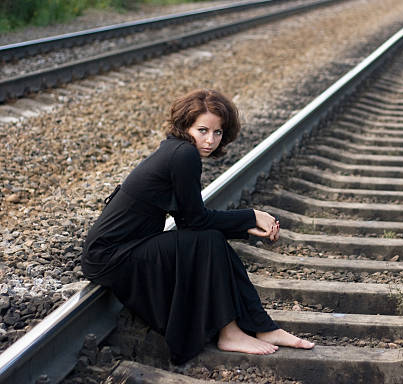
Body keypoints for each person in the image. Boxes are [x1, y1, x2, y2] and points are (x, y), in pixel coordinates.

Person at [81, 88, 314, 364]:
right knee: (210, 239)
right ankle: (237, 332)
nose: (210, 140)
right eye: (202, 130)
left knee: (210, 239)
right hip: (111, 256)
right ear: (185, 125)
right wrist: (250, 217)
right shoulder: (183, 156)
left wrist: (243, 224)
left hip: (123, 248)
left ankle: (260, 328)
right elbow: (194, 221)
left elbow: (190, 221)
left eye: (218, 133)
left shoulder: (176, 150)